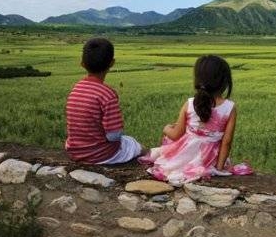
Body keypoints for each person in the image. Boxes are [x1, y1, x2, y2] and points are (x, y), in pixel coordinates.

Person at [142, 54, 237, 185]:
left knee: (167, 143)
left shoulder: (190, 103)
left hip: (183, 155)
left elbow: (176, 135)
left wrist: (166, 128)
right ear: (225, 81)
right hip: (208, 159)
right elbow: (226, 142)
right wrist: (219, 168)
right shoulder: (229, 107)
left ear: (198, 80)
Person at [65, 37, 143, 164]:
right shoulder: (107, 94)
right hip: (100, 155)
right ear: (112, 63)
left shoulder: (76, 89)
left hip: (74, 151)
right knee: (132, 143)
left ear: (82, 63)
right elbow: (113, 136)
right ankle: (150, 155)